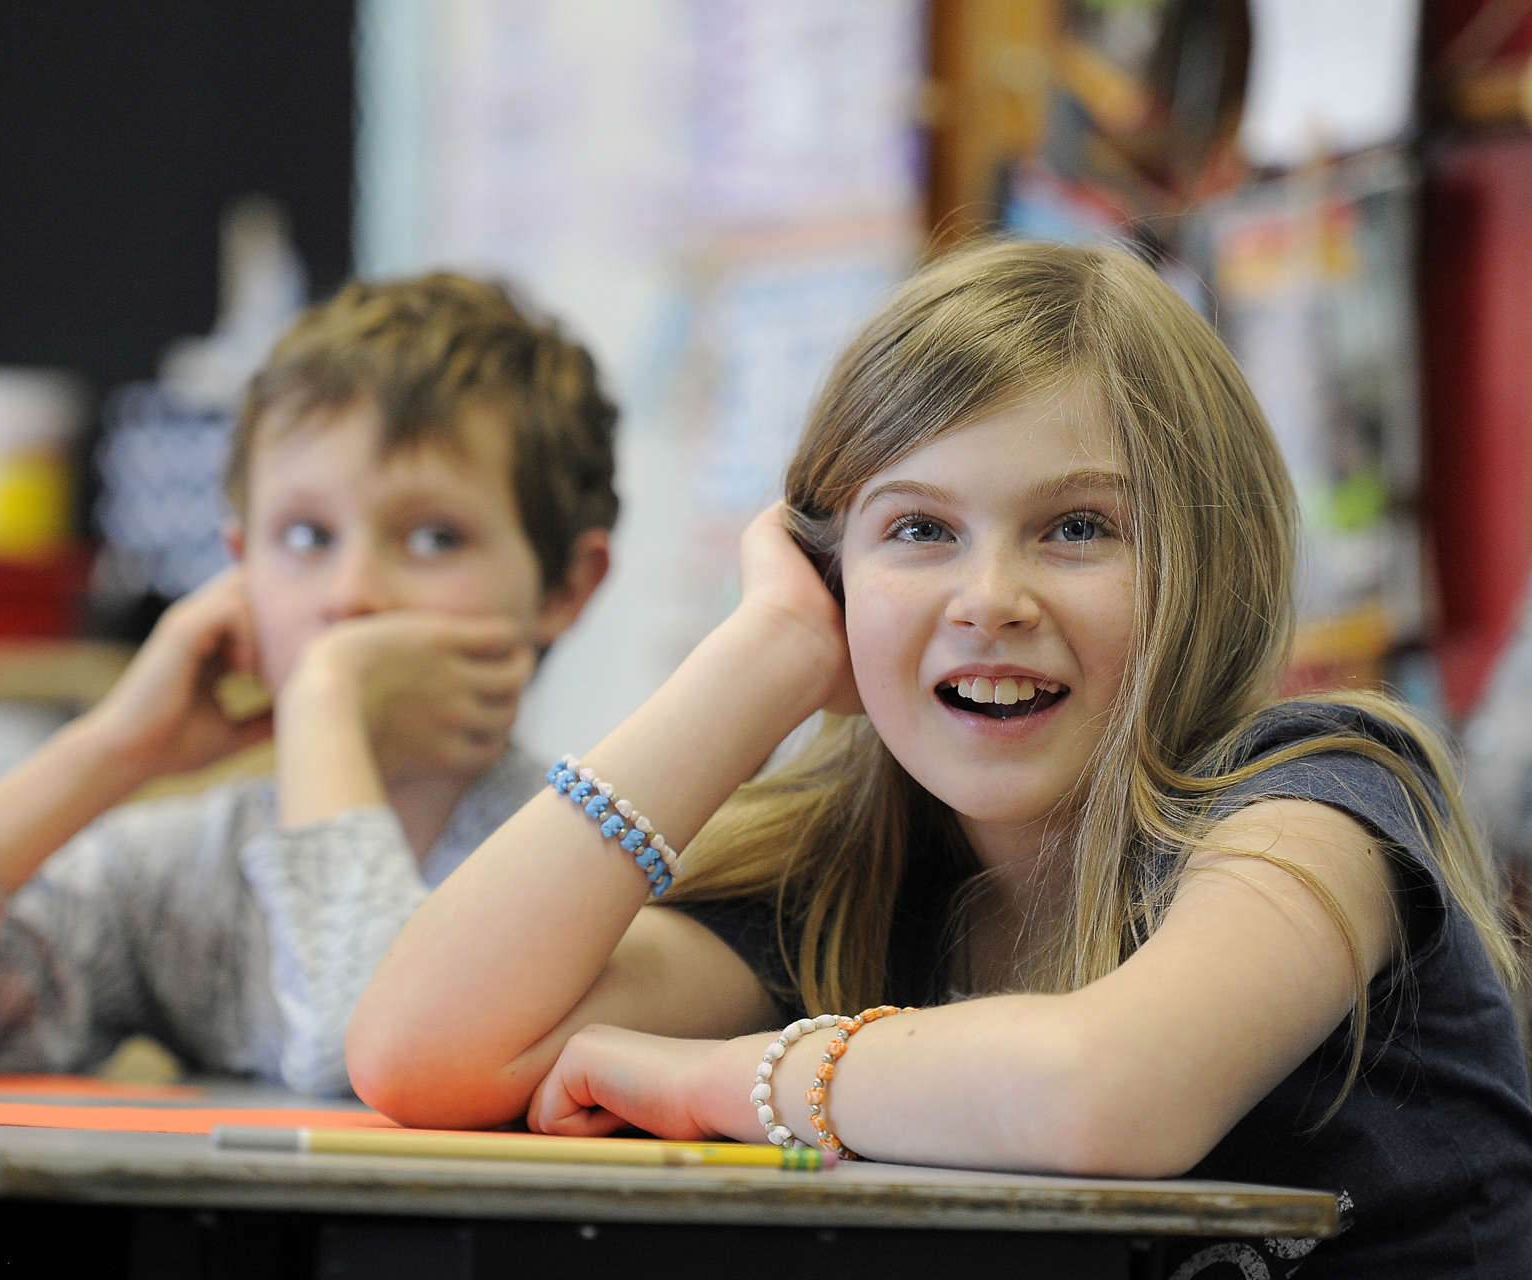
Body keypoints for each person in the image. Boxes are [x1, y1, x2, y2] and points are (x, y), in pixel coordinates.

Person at [347, 240, 1532, 1275]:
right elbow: (419, 1047)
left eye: (1079, 528)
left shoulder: (1316, 795)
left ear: (1206, 563)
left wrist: (718, 1081)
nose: (989, 597)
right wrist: (758, 659)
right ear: (831, 576)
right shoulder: (844, 884)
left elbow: (1102, 1089)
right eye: (918, 529)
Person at [0, 272, 618, 1095]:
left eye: (433, 539)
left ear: (565, 588)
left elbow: (374, 1049)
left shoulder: (592, 869)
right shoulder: (187, 873)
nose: (351, 596)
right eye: (305, 538)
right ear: (239, 570)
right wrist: (110, 751)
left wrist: (322, 705)